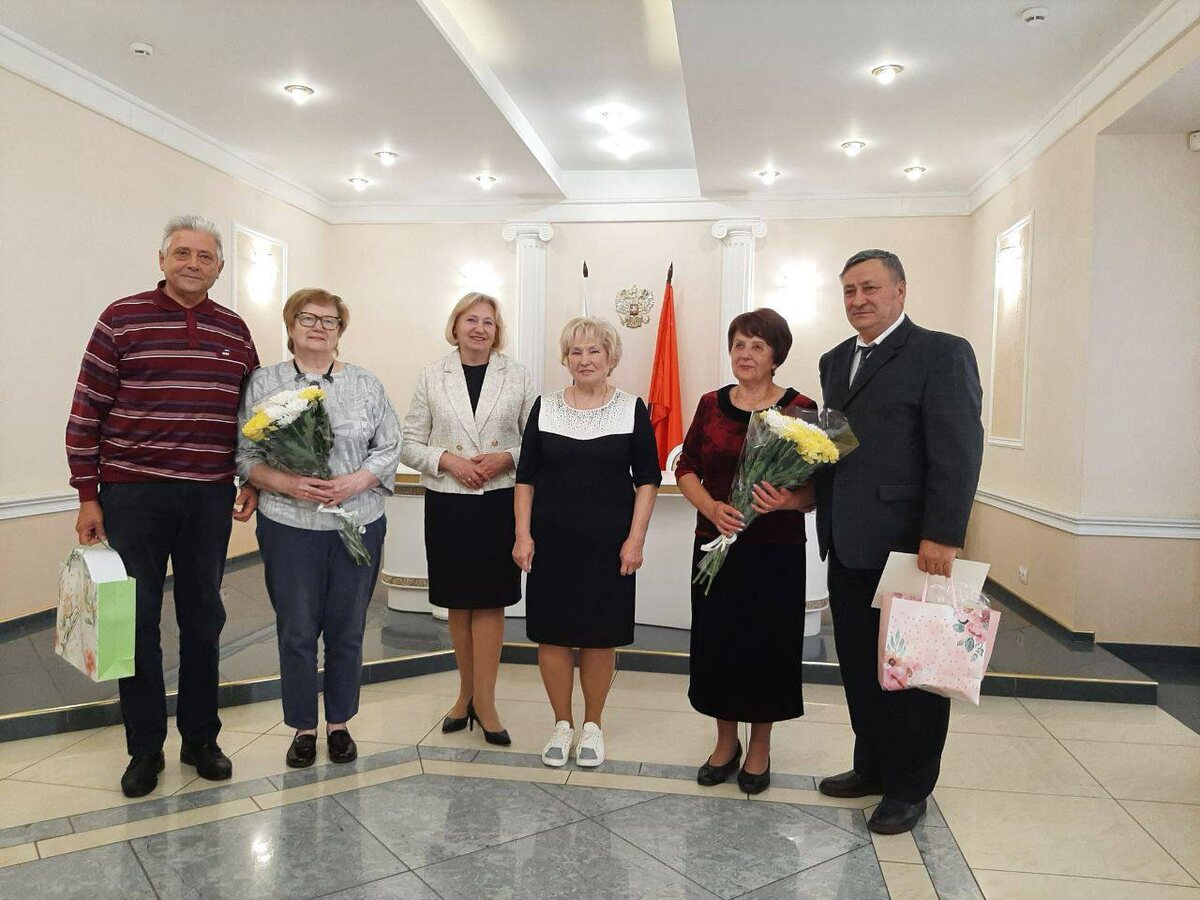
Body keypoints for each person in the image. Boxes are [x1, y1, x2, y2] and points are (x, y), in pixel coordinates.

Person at [66, 214, 259, 797]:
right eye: (182, 253)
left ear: (219, 268)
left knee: (204, 619)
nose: (193, 264)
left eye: (205, 256)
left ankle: (201, 738)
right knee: (135, 622)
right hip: (134, 494)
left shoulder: (235, 330)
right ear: (162, 260)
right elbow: (86, 411)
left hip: (207, 494)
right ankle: (144, 748)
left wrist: (251, 477)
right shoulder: (121, 319)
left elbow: (252, 418)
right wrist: (88, 495)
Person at [815, 249, 983, 834]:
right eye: (849, 290)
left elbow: (958, 450)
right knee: (861, 667)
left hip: (911, 548)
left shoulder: (942, 353)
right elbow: (838, 446)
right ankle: (872, 766)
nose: (858, 299)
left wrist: (942, 534)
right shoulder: (835, 360)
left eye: (870, 288)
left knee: (914, 670)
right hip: (846, 541)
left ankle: (910, 787)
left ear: (900, 291)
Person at [237, 289, 399, 769]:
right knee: (297, 631)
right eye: (307, 318)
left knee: (347, 630)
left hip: (357, 521)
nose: (318, 328)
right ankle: (304, 727)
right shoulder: (264, 382)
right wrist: (288, 483)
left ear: (340, 331)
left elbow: (389, 446)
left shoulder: (365, 383)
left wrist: (355, 481)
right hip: (290, 525)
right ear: (290, 325)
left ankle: (339, 724)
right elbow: (245, 456)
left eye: (330, 321)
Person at [676, 309, 817, 794]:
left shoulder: (800, 409)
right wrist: (712, 508)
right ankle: (724, 742)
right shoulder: (710, 404)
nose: (746, 353)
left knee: (767, 648)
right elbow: (686, 467)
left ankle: (760, 745)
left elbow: (817, 487)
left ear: (777, 355)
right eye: (738, 344)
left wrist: (788, 501)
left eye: (757, 345)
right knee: (717, 645)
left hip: (775, 553)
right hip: (715, 546)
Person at [513, 317, 661, 768]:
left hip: (609, 546)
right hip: (551, 543)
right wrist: (522, 534)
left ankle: (593, 725)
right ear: (565, 358)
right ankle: (562, 724)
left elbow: (648, 479)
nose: (585, 359)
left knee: (600, 637)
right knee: (552, 636)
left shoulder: (631, 408)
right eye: (576, 351)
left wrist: (635, 539)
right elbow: (525, 478)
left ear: (611, 358)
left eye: (594, 350)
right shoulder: (545, 407)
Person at [400, 292, 534, 746]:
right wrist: (447, 460)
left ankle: (487, 703)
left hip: (499, 502)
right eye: (471, 320)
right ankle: (464, 696)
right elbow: (409, 442)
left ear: (498, 331)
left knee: (491, 601)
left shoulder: (517, 375)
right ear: (455, 325)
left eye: (488, 323)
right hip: (449, 501)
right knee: (458, 601)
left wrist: (505, 457)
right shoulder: (430, 374)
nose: (479, 329)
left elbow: (536, 441)